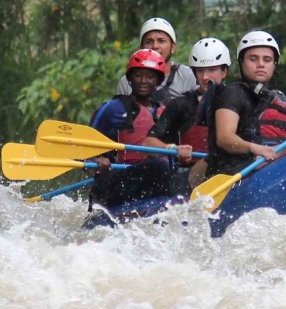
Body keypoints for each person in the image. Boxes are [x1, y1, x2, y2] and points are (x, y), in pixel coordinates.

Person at [207, 31, 286, 177]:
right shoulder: (232, 92)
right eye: (253, 59)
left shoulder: (279, 98)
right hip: (237, 172)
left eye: (267, 60)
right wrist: (257, 149)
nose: (260, 64)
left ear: (274, 65)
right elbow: (224, 138)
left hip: (270, 169)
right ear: (242, 62)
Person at [88, 49, 181, 208]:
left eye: (150, 76)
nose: (144, 81)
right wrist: (94, 161)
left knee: (175, 173)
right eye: (138, 75)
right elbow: (83, 149)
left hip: (152, 184)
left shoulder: (165, 112)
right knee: (160, 166)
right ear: (130, 78)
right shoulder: (112, 109)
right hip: (116, 183)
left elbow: (175, 157)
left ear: (158, 80)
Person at [149, 37, 230, 189]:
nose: (205, 77)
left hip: (231, 170)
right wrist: (173, 148)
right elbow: (148, 142)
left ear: (224, 71)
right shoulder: (181, 104)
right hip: (190, 174)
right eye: (200, 71)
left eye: (212, 70)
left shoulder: (238, 99)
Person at [115, 17, 198, 105]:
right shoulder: (128, 81)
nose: (155, 46)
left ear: (172, 47)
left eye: (161, 41)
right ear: (141, 48)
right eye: (148, 41)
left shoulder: (189, 76)